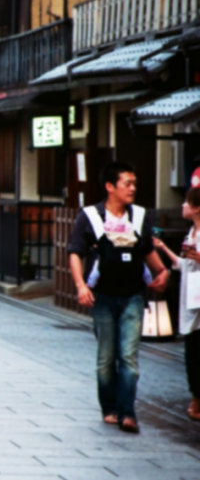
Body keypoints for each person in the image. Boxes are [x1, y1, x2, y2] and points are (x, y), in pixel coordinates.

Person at [67, 161, 169, 434]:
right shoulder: (90, 216)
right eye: (128, 183)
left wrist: (162, 272)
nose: (133, 188)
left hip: (133, 295)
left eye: (134, 183)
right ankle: (109, 408)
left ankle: (128, 413)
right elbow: (75, 251)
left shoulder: (139, 216)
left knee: (129, 357)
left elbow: (147, 250)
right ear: (110, 187)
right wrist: (80, 285)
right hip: (101, 296)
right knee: (106, 357)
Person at [152, 187, 200, 422]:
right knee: (192, 348)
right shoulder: (191, 232)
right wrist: (163, 249)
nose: (182, 206)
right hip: (191, 296)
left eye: (186, 202)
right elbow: (184, 264)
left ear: (197, 207)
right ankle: (196, 396)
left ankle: (197, 398)